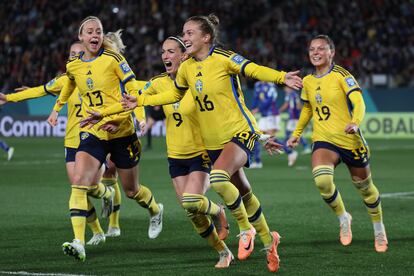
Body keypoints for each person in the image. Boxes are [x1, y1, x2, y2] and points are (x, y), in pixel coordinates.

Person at [86, 14, 303, 273]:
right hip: (212, 144)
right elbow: (173, 94)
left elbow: (253, 69)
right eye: (184, 33)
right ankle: (269, 241)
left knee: (220, 178)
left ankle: (245, 229)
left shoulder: (224, 58)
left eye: (189, 34)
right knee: (242, 191)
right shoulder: (187, 70)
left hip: (238, 134)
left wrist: (281, 78)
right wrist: (132, 105)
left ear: (206, 37)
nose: (186, 37)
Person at [48, 16, 163, 261]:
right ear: (81, 37)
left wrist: (130, 118)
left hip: (121, 131)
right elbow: (69, 84)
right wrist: (57, 108)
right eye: (89, 31)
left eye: (98, 31)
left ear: (102, 37)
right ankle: (79, 242)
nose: (95, 35)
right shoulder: (75, 65)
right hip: (94, 131)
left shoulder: (114, 59)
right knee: (79, 182)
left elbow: (133, 90)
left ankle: (155, 209)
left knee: (132, 191)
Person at [0, 41, 132, 244]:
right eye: (71, 54)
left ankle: (109, 205)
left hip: (95, 137)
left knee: (90, 185)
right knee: (81, 188)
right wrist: (9, 98)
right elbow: (41, 90)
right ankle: (97, 231)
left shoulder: (100, 77)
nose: (74, 57)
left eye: (78, 53)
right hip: (72, 141)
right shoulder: (66, 79)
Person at [287, 34, 388, 253]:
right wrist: (296, 133)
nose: (315, 52)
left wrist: (355, 122)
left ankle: (378, 228)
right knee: (322, 181)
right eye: (312, 49)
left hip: (350, 140)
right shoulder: (308, 81)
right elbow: (307, 109)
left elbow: (358, 102)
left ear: (331, 52)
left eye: (321, 49)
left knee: (366, 189)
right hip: (324, 140)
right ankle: (343, 217)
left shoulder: (342, 75)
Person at [250, 81, 280, 168]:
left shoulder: (271, 86)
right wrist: (252, 109)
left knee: (269, 137)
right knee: (257, 136)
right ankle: (257, 161)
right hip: (264, 115)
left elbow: (270, 100)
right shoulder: (257, 85)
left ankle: (289, 150)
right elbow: (256, 98)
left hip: (271, 113)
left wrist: (257, 109)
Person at [279, 86, 311, 166]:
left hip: (293, 118)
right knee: (294, 134)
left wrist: (278, 111)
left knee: (292, 134)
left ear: (289, 88)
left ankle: (290, 149)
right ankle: (304, 147)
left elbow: (287, 105)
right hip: (294, 118)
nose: (285, 90)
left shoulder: (290, 95)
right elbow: (299, 105)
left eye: (285, 88)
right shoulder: (295, 94)